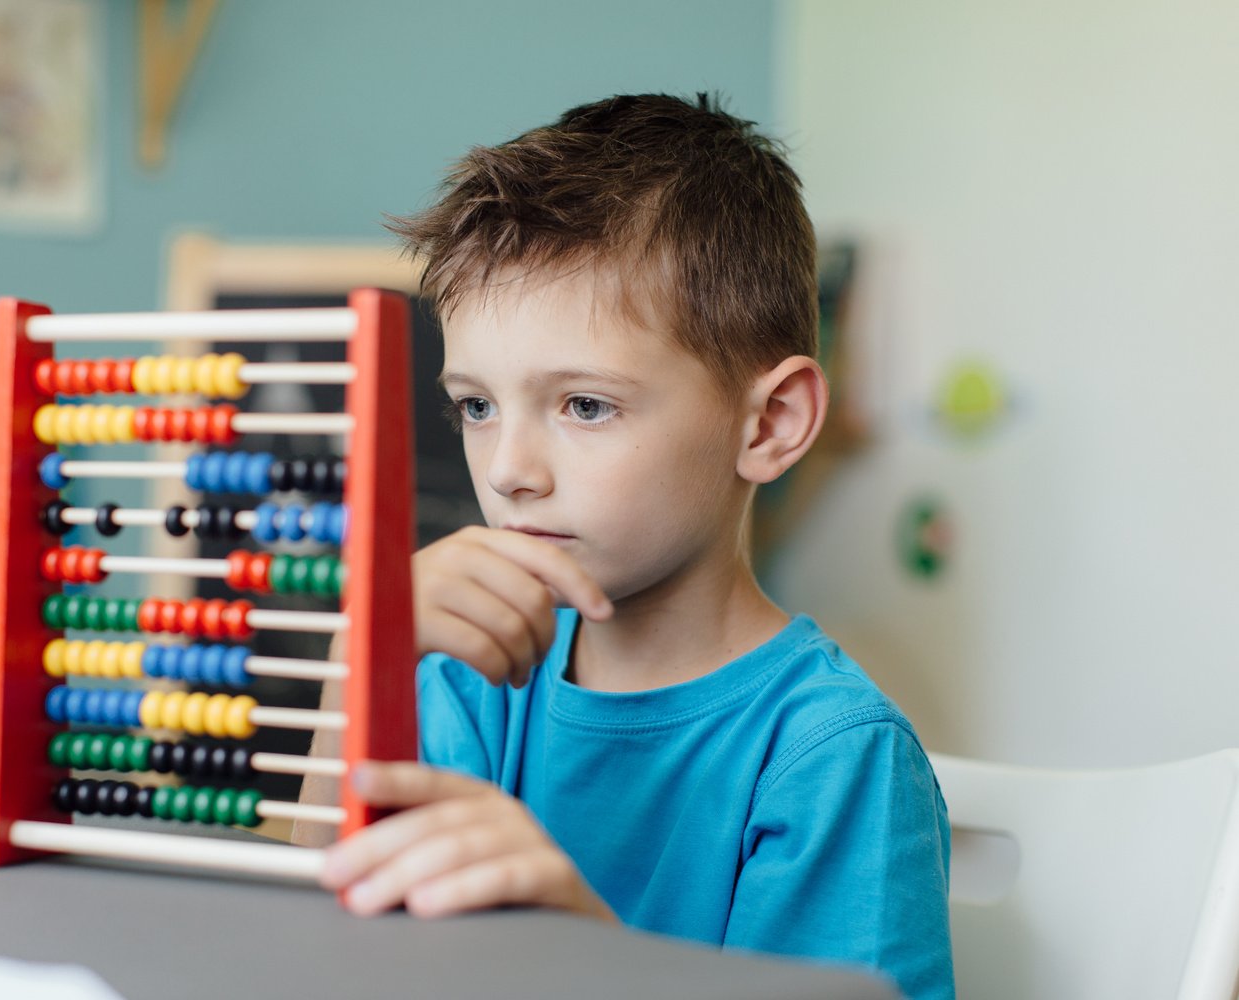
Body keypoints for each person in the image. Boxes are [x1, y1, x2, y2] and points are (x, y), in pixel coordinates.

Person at [297, 93, 953, 1000]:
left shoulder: (832, 758)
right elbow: (312, 952)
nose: (511, 471)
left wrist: (588, 959)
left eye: (585, 405)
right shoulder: (464, 679)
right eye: (476, 406)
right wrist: (356, 653)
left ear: (769, 423)